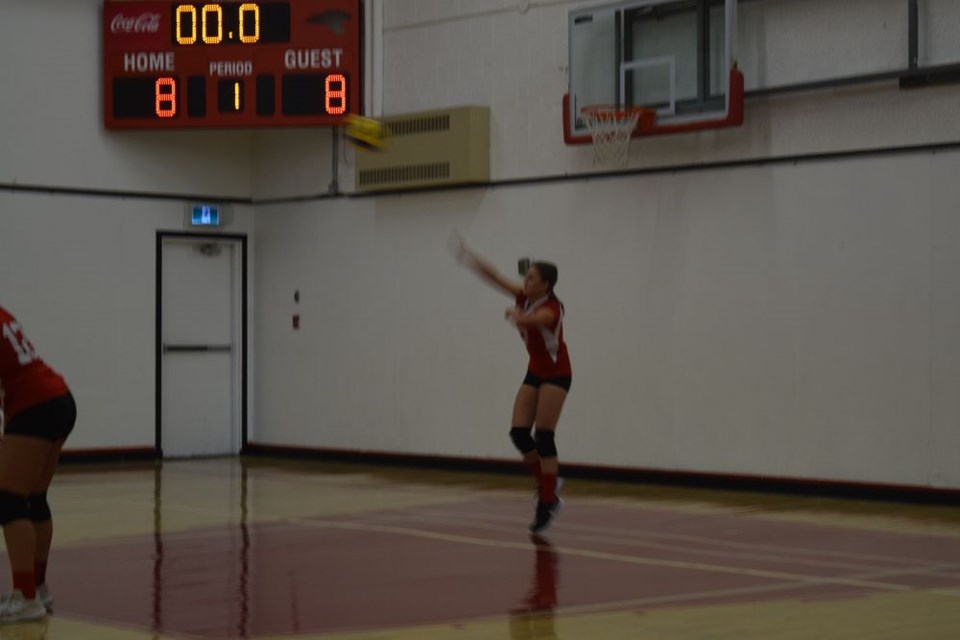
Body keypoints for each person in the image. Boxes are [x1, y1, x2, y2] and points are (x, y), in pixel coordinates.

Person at [453, 235, 571, 533]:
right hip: (535, 370)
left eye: (531, 277)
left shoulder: (552, 309)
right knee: (519, 433)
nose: (525, 280)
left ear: (545, 285)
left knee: (544, 436)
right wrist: (470, 257)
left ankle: (548, 500)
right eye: (526, 276)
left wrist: (518, 315)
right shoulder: (524, 296)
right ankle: (549, 483)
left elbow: (537, 321)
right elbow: (496, 277)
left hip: (557, 374)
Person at [0, 306, 76, 623]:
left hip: (34, 406)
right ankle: (37, 589)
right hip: (59, 398)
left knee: (8, 500)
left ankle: (26, 598)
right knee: (32, 499)